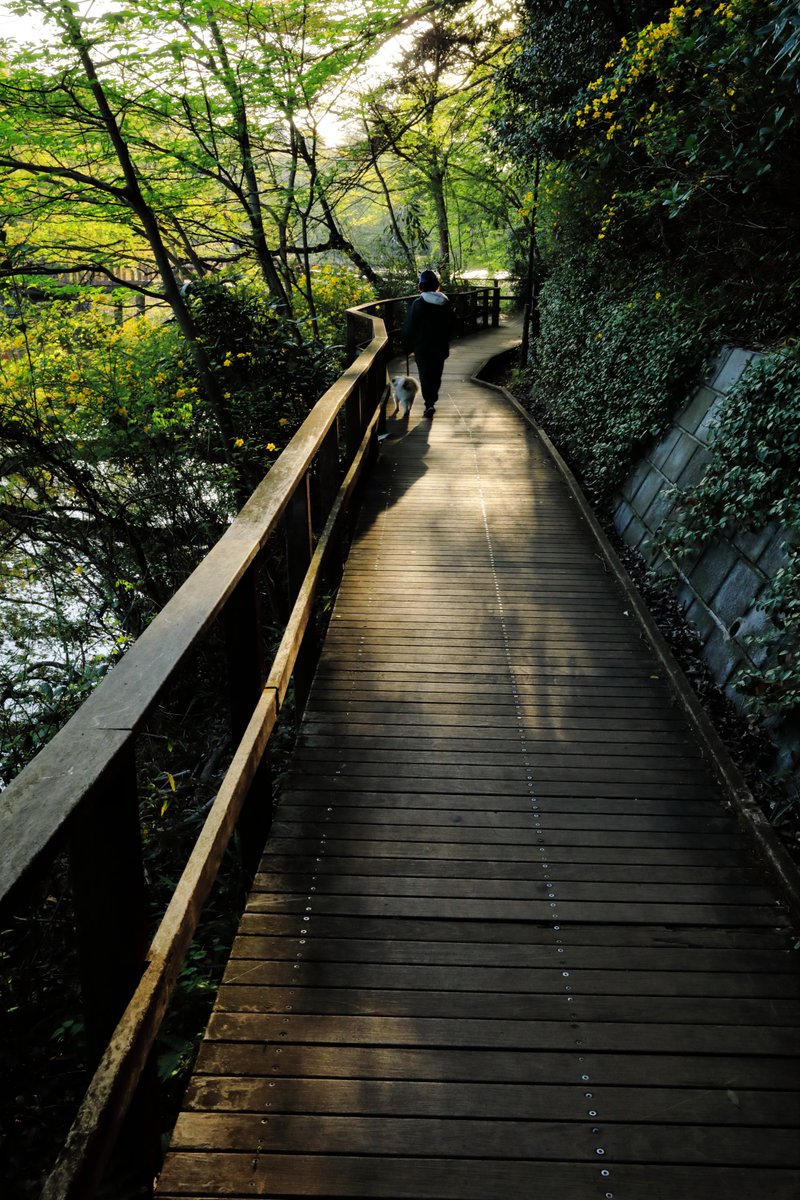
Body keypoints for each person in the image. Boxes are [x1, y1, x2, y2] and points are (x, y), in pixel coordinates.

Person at [401, 269, 456, 417]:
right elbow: (452, 324)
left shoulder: (417, 304)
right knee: (436, 375)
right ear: (436, 285)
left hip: (422, 347)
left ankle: (429, 403)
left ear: (421, 286)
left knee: (425, 375)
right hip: (440, 346)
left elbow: (409, 327)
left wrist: (406, 344)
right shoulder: (445, 303)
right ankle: (432, 401)